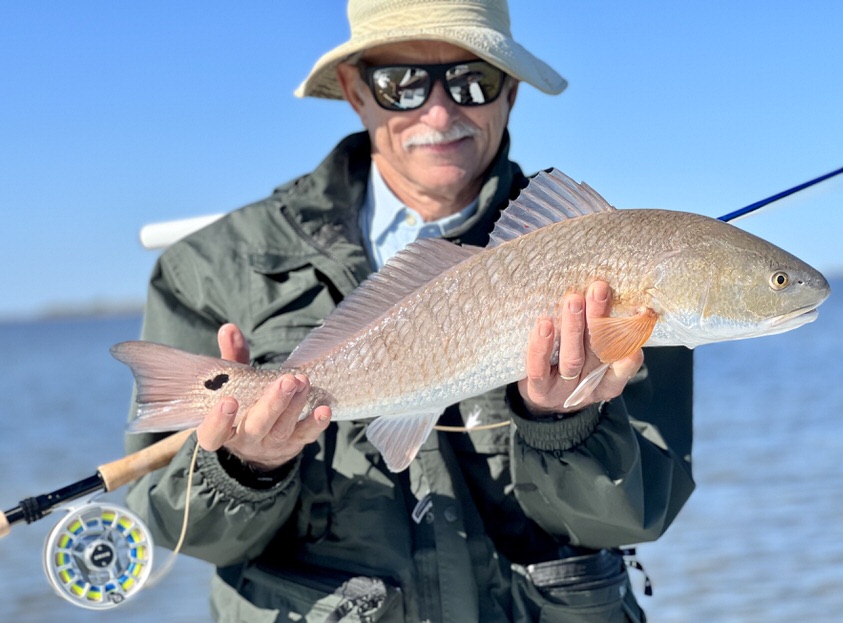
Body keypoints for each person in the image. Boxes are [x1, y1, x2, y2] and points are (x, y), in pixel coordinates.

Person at [125, 1, 695, 621]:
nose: (441, 111)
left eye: (474, 81)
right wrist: (244, 467)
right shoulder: (209, 268)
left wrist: (562, 424)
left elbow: (635, 514)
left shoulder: (620, 262)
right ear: (355, 91)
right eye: (402, 84)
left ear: (510, 93)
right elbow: (178, 528)